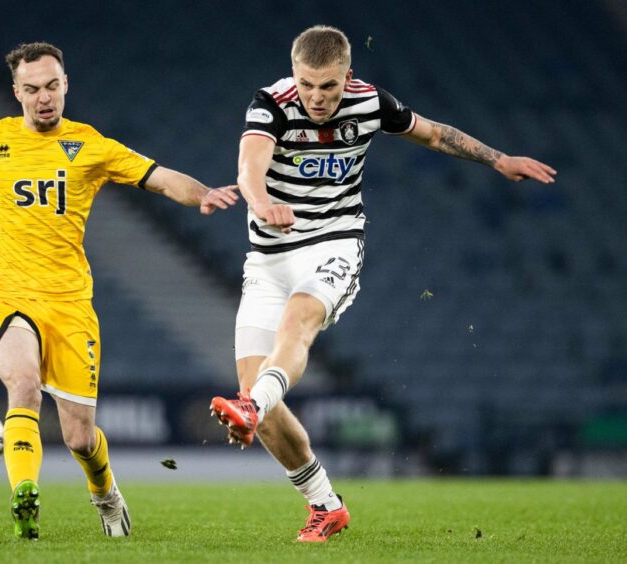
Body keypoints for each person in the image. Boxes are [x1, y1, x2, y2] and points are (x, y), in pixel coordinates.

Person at [210, 25, 555, 543]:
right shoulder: (271, 104)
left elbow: (435, 133)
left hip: (334, 243)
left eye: (328, 86)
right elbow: (249, 168)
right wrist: (260, 204)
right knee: (265, 409)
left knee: (296, 324)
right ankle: (326, 505)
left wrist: (497, 159)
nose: (317, 97)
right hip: (268, 256)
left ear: (347, 77)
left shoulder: (370, 102)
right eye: (307, 84)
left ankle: (253, 404)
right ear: (294, 74)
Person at [0, 42, 238, 540]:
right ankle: (24, 496)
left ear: (65, 84)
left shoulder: (90, 145)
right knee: (23, 385)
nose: (43, 98)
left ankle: (105, 493)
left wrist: (201, 193)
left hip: (70, 305)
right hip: (7, 292)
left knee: (79, 437)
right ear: (16, 92)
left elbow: (158, 177)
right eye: (32, 90)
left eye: (52, 86)